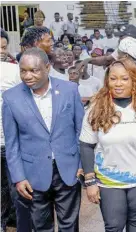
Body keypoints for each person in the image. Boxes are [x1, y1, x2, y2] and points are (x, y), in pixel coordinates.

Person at [2, 47, 84, 232]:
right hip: (33, 175)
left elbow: (81, 131)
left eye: (33, 70)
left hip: (68, 170)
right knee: (40, 226)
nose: (27, 76)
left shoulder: (69, 90)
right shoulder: (10, 97)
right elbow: (12, 144)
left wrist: (82, 165)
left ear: (47, 67)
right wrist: (18, 177)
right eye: (23, 71)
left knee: (69, 226)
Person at [79, 58, 136, 232]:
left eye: (125, 79)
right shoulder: (95, 108)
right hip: (109, 179)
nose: (118, 84)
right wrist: (90, 181)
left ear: (134, 80)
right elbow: (86, 145)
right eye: (113, 78)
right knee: (114, 225)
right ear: (107, 80)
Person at [0, 28, 21, 232]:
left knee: (16, 187)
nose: (1, 51)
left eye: (4, 47)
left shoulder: (14, 72)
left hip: (12, 142)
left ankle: (15, 224)